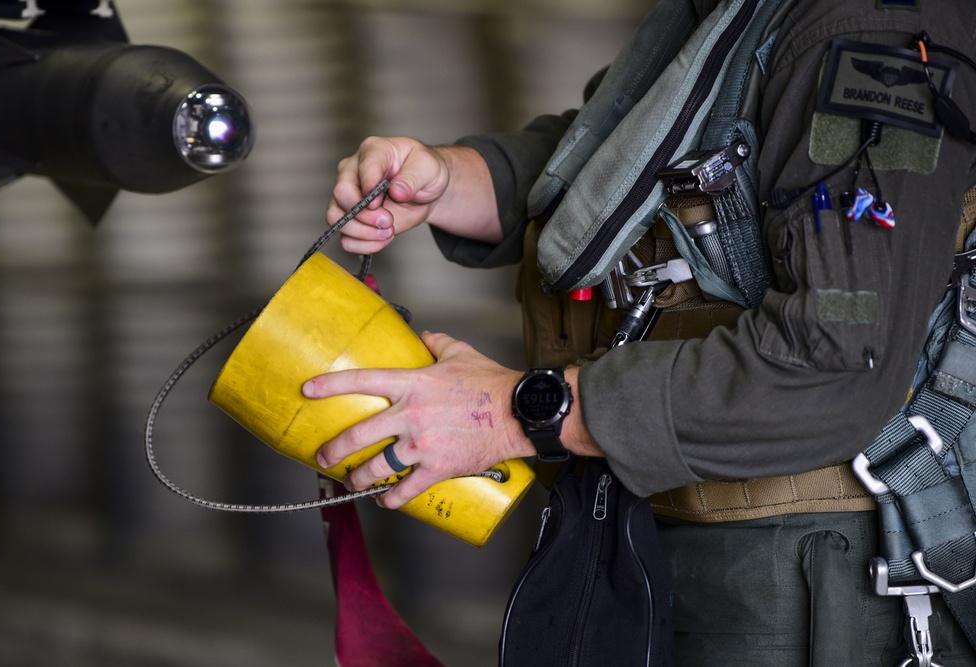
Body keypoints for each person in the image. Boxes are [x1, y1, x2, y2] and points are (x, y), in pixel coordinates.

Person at [302, 0, 976, 664]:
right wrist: (454, 180)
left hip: (803, 570)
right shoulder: (731, 12)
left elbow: (834, 363)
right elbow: (635, 154)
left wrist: (518, 410)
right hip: (663, 525)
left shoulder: (868, 30)